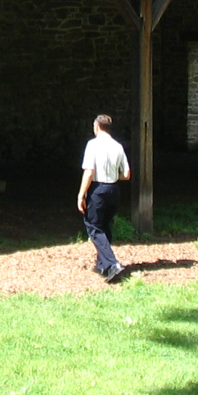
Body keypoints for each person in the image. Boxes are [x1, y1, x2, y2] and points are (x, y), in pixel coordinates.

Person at [78, 113, 131, 283]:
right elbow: (127, 174)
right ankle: (103, 265)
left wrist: (81, 194)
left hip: (98, 189)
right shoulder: (118, 146)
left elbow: (89, 172)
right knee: (104, 225)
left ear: (97, 127)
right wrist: (113, 176)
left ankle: (112, 263)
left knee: (93, 225)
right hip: (114, 188)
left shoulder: (92, 145)